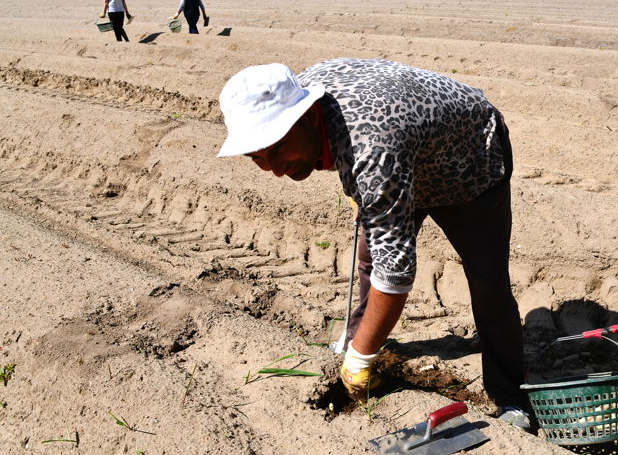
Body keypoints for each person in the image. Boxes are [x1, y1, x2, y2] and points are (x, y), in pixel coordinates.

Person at [216, 59, 531, 430]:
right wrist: (363, 190)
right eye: (257, 157)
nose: (275, 169)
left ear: (309, 117)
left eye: (278, 149)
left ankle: (511, 398)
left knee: (488, 283)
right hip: (400, 152)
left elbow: (396, 272)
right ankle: (358, 342)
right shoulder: (299, 95)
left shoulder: (370, 146)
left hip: (467, 161)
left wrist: (361, 360)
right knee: (370, 255)